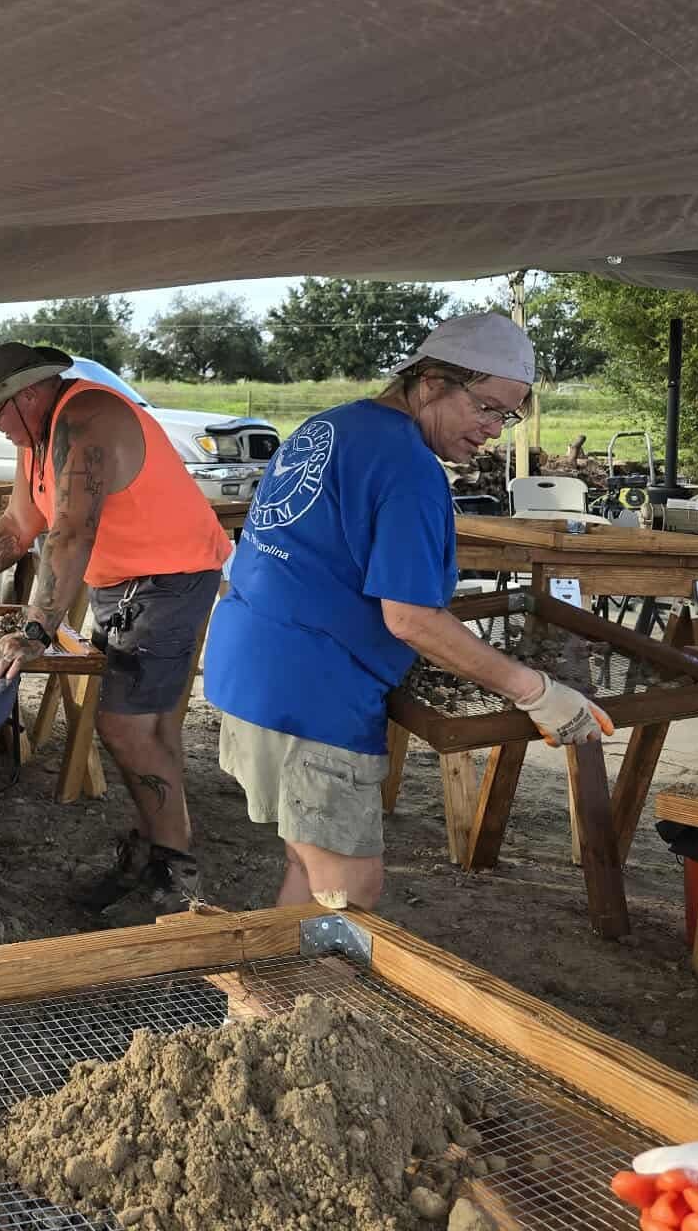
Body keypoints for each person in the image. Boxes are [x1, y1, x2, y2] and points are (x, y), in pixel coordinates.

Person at [203, 312, 613, 912]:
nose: (494, 431)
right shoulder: (409, 468)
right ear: (429, 383)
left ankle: (278, 998)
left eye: (507, 416)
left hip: (251, 665)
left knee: (310, 860)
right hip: (312, 688)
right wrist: (535, 691)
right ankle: (301, 1002)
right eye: (487, 408)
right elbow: (412, 618)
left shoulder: (332, 425)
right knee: (348, 891)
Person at [0, 343, 230, 918]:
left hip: (169, 577)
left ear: (28, 394)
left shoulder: (87, 421)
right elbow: (20, 520)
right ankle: (158, 848)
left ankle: (174, 872)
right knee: (146, 726)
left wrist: (34, 631)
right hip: (127, 581)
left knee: (126, 725)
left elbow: (72, 533)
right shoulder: (36, 435)